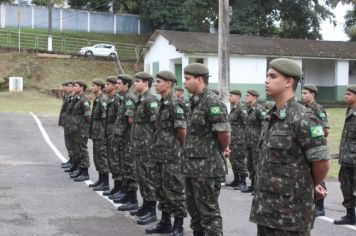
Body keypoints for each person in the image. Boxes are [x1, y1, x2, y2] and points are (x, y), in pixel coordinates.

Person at [249, 58, 330, 235]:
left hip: (291, 213)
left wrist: (309, 184)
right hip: (266, 209)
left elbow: (322, 161)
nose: (266, 80)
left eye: (272, 76)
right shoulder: (272, 117)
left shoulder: (304, 118)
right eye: (267, 76)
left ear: (288, 82)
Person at [183, 63, 231, 236]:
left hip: (207, 168)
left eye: (187, 79)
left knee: (209, 213)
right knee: (194, 211)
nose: (184, 83)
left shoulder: (212, 102)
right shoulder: (194, 101)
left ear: (200, 79)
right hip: (191, 166)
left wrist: (222, 149)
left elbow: (224, 133)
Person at [145, 71, 187, 236]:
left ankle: (178, 226)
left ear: (169, 83)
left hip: (172, 155)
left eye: (159, 81)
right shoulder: (163, 102)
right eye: (156, 81)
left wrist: (180, 150)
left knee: (175, 190)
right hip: (159, 153)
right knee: (161, 189)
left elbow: (182, 130)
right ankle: (165, 222)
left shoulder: (175, 103)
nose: (156, 84)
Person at [129, 71, 159, 225]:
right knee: (141, 177)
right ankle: (145, 205)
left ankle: (152, 211)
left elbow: (156, 124)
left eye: (137, 81)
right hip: (138, 146)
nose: (135, 83)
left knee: (148, 178)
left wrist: (152, 143)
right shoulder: (140, 99)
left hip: (147, 146)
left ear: (146, 83)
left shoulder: (151, 100)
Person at [301, 84, 330, 217]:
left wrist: (313, 136)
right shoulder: (301, 109)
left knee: (318, 177)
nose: (303, 95)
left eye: (306, 93)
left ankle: (320, 207)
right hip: (304, 146)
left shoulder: (318, 109)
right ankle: (310, 203)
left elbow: (325, 130)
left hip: (315, 145)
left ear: (313, 94)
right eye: (302, 93)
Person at [113, 74, 139, 212]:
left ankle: (133, 199)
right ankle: (127, 195)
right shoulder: (125, 98)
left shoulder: (129, 98)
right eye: (116, 83)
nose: (116, 85)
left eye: (119, 83)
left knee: (129, 169)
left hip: (128, 139)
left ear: (126, 85)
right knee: (124, 167)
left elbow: (131, 120)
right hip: (123, 139)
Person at [334, 85, 356, 225]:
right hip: (347, 159)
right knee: (346, 186)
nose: (345, 96)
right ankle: (350, 215)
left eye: (348, 94)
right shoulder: (349, 111)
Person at [241, 90, 265, 193]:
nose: (246, 97)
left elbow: (264, 125)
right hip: (248, 142)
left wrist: (261, 140)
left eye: (248, 95)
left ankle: (257, 187)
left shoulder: (259, 109)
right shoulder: (248, 109)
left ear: (254, 97)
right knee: (249, 164)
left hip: (256, 143)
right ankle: (252, 185)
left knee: (257, 165)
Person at [88, 79, 110, 191]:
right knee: (97, 157)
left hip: (101, 133)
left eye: (93, 85)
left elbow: (106, 118)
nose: (91, 87)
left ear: (99, 87)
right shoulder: (97, 99)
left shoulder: (103, 100)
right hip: (97, 133)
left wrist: (103, 133)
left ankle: (105, 182)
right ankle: (101, 180)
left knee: (101, 157)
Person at [67, 80, 91, 182]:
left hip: (81, 130)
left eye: (76, 86)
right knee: (78, 150)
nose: (74, 88)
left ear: (82, 88)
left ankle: (85, 172)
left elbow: (88, 116)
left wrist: (83, 126)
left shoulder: (84, 100)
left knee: (83, 150)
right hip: (76, 129)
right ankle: (80, 169)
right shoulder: (77, 98)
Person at [102, 76, 122, 197]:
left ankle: (120, 188)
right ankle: (116, 187)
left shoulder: (117, 100)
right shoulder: (111, 99)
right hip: (109, 134)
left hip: (115, 135)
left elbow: (120, 119)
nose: (105, 86)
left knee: (116, 162)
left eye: (108, 84)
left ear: (114, 86)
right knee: (112, 161)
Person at [226, 90, 248, 190]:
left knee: (239, 160)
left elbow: (246, 124)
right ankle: (236, 179)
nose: (229, 97)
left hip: (239, 140)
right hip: (232, 140)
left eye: (231, 96)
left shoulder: (241, 108)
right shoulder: (233, 108)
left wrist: (244, 138)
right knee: (233, 160)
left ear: (238, 97)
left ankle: (243, 182)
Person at [59, 81, 74, 170]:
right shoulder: (67, 96)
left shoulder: (72, 97)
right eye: (64, 86)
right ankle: (71, 160)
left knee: (72, 144)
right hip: (67, 123)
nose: (65, 88)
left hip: (72, 124)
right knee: (68, 143)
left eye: (67, 86)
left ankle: (73, 161)